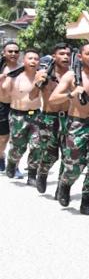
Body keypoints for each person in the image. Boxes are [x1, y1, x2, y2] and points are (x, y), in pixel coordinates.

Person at [50, 43, 89, 215]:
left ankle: (86, 202)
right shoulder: (71, 76)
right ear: (80, 56)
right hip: (76, 123)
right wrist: (71, 94)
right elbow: (54, 98)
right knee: (74, 165)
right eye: (88, 53)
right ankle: (65, 184)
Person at [31, 44, 71, 194]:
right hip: (49, 119)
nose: (66, 57)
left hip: (68, 118)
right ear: (54, 56)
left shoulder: (73, 75)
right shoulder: (44, 73)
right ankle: (42, 172)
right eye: (62, 54)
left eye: (68, 54)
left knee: (68, 156)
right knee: (50, 154)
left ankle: (61, 188)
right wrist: (38, 82)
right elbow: (32, 96)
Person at [1, 48, 41, 181]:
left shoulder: (41, 76)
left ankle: (32, 175)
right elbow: (5, 93)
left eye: (36, 59)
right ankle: (12, 163)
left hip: (35, 114)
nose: (33, 61)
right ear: (24, 61)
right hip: (18, 115)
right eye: (30, 58)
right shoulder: (15, 75)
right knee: (18, 147)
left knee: (37, 146)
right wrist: (4, 80)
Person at [0, 40, 20, 173]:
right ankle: (1, 156)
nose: (13, 53)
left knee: (18, 139)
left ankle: (15, 166)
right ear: (4, 53)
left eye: (16, 51)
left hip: (18, 107)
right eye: (10, 51)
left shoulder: (24, 68)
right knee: (3, 137)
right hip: (2, 106)